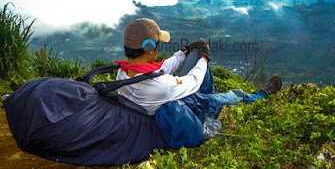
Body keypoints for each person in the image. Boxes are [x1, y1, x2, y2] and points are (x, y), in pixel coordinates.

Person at [115, 18, 282, 117]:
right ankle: (262, 95)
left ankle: (211, 95)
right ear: (150, 48)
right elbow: (192, 80)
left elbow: (159, 69)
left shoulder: (123, 73)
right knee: (230, 97)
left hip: (160, 103)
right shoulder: (161, 86)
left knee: (194, 54)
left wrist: (185, 52)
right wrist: (204, 58)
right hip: (178, 109)